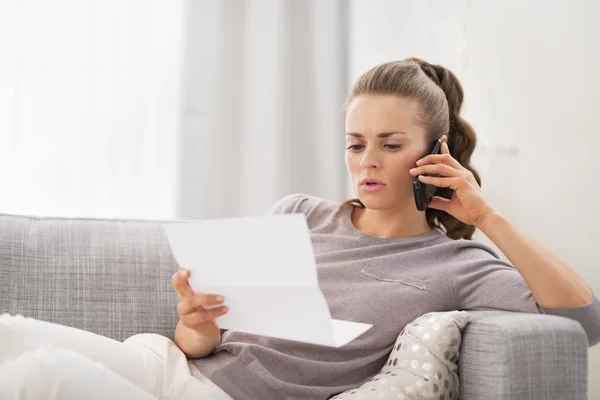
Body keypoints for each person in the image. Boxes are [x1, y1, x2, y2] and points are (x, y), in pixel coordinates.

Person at [1, 58, 599, 400]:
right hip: (169, 368)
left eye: (390, 145)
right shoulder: (300, 214)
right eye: (356, 143)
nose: (367, 160)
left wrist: (486, 217)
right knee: (9, 335)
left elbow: (585, 322)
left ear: (433, 151)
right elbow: (206, 348)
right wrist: (195, 325)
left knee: (41, 378)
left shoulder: (457, 266)